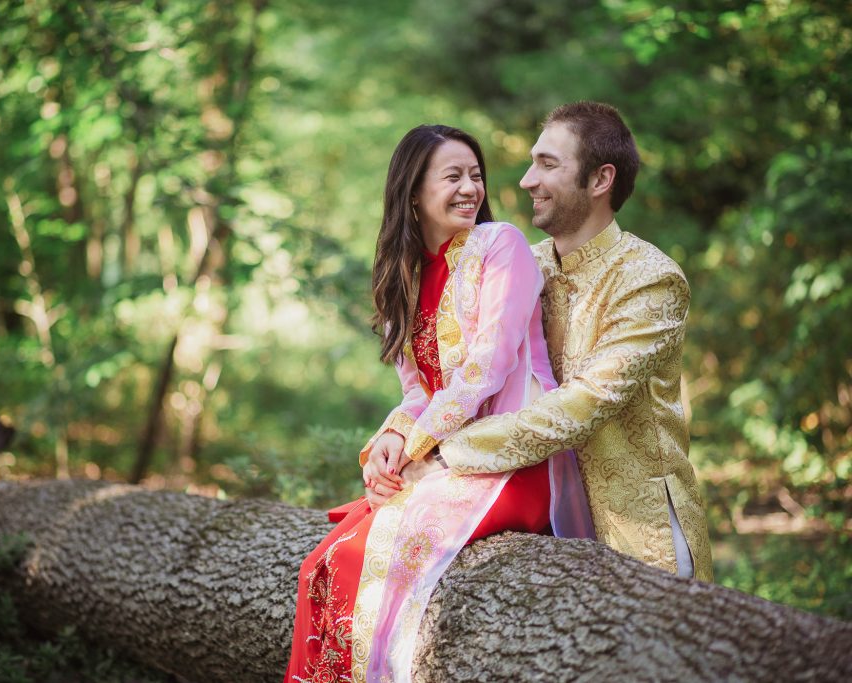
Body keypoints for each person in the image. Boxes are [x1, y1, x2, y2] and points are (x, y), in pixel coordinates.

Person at [283, 125, 594, 683]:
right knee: (321, 565)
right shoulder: (405, 275)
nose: (470, 188)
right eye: (453, 176)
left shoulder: (500, 247)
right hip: (446, 458)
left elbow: (486, 368)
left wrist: (416, 449)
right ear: (412, 193)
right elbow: (417, 390)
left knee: (365, 559)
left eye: (476, 175)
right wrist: (390, 442)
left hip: (511, 458)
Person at [431, 101, 714, 582]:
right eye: (531, 162)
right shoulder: (525, 265)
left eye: (547, 165)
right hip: (540, 531)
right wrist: (403, 435)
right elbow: (464, 369)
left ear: (600, 180)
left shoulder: (650, 280)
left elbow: (583, 405)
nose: (526, 180)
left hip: (640, 540)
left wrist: (449, 452)